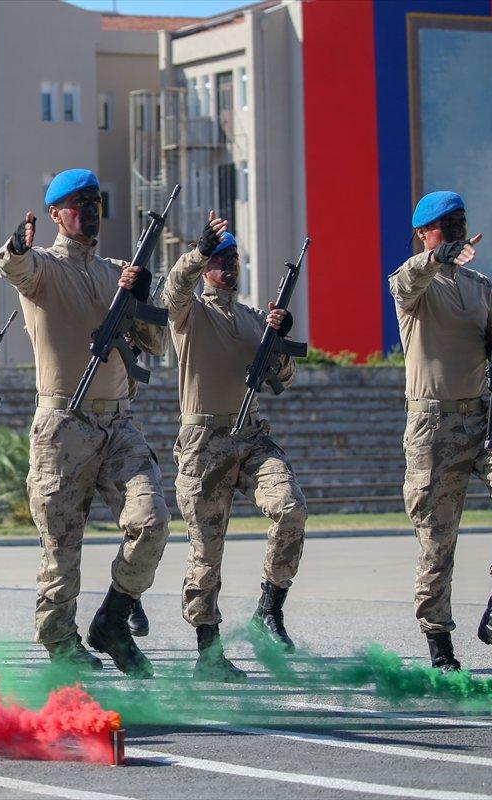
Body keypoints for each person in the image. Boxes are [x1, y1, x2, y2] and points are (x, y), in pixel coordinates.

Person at [0, 169, 170, 677]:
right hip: (63, 426)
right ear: (55, 214)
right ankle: (59, 642)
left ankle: (113, 619)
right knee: (61, 551)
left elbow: (157, 343)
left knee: (152, 521)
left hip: (118, 426)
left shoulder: (119, 272)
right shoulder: (44, 268)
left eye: (95, 202)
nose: (89, 211)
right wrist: (16, 246)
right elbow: (14, 268)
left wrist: (140, 298)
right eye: (78, 204)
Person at [390, 190, 492, 671]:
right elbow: (406, 281)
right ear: (423, 234)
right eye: (447, 225)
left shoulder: (480, 286)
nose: (457, 231)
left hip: (482, 418)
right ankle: (440, 647)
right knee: (437, 543)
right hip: (432, 427)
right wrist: (439, 256)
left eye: (460, 223)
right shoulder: (413, 283)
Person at [162, 218, 308, 681]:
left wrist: (278, 338)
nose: (227, 265)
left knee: (290, 508)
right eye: (218, 258)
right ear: (205, 267)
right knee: (206, 551)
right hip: (203, 443)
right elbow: (173, 290)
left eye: (233, 258)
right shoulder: (190, 314)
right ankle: (208, 652)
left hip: (250, 437)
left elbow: (285, 379)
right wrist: (196, 254)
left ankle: (269, 608)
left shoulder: (252, 319)